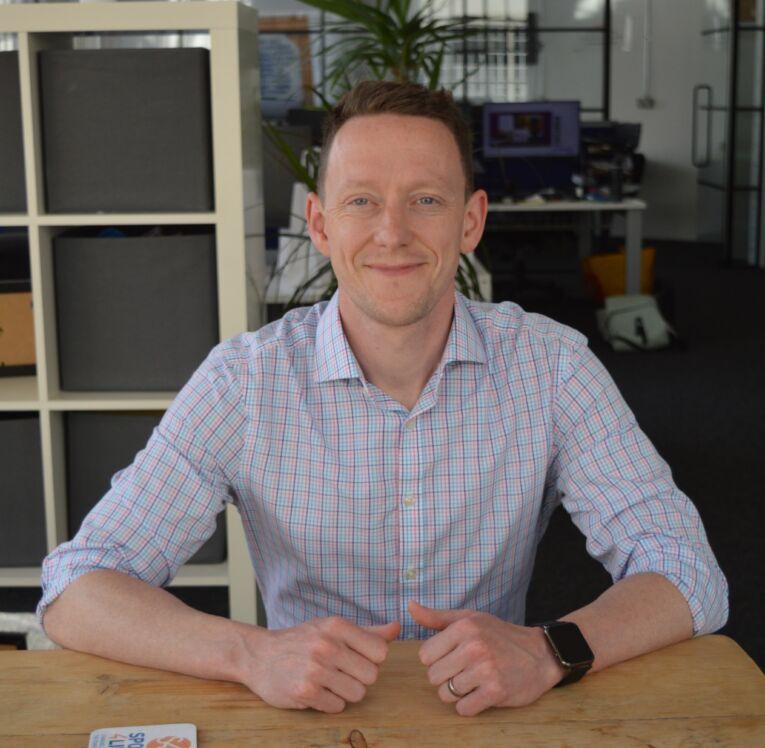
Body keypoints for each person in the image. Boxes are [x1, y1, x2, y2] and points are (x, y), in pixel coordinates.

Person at [38, 81, 728, 718]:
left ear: (469, 221)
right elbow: (76, 589)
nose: (392, 233)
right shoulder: (245, 381)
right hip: (302, 715)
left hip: (487, 715)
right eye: (361, 200)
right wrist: (248, 652)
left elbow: (686, 571)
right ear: (320, 224)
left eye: (425, 199)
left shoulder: (549, 366)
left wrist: (551, 648)